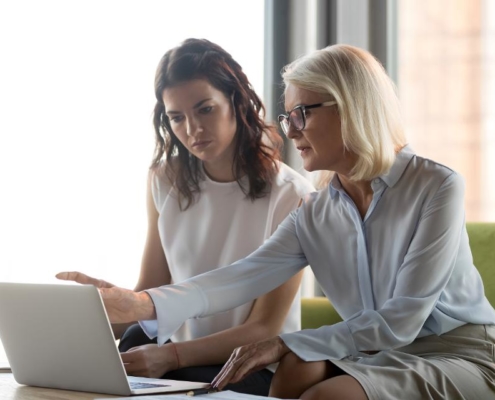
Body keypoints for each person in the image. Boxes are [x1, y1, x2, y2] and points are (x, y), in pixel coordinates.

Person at [58, 44, 495, 400]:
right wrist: (143, 306)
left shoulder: (436, 185)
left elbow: (402, 320)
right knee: (294, 373)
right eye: (288, 117)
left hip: (456, 352)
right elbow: (238, 277)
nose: (290, 131)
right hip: (370, 351)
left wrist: (286, 341)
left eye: (302, 113)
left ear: (351, 106)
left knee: (323, 391)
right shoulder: (318, 211)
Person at [57, 38, 315, 396]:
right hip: (173, 360)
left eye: (205, 109)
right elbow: (151, 293)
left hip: (245, 368)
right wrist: (96, 313)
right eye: (176, 117)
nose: (192, 129)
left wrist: (172, 357)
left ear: (236, 102)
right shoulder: (165, 179)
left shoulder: (293, 195)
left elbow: (265, 328)